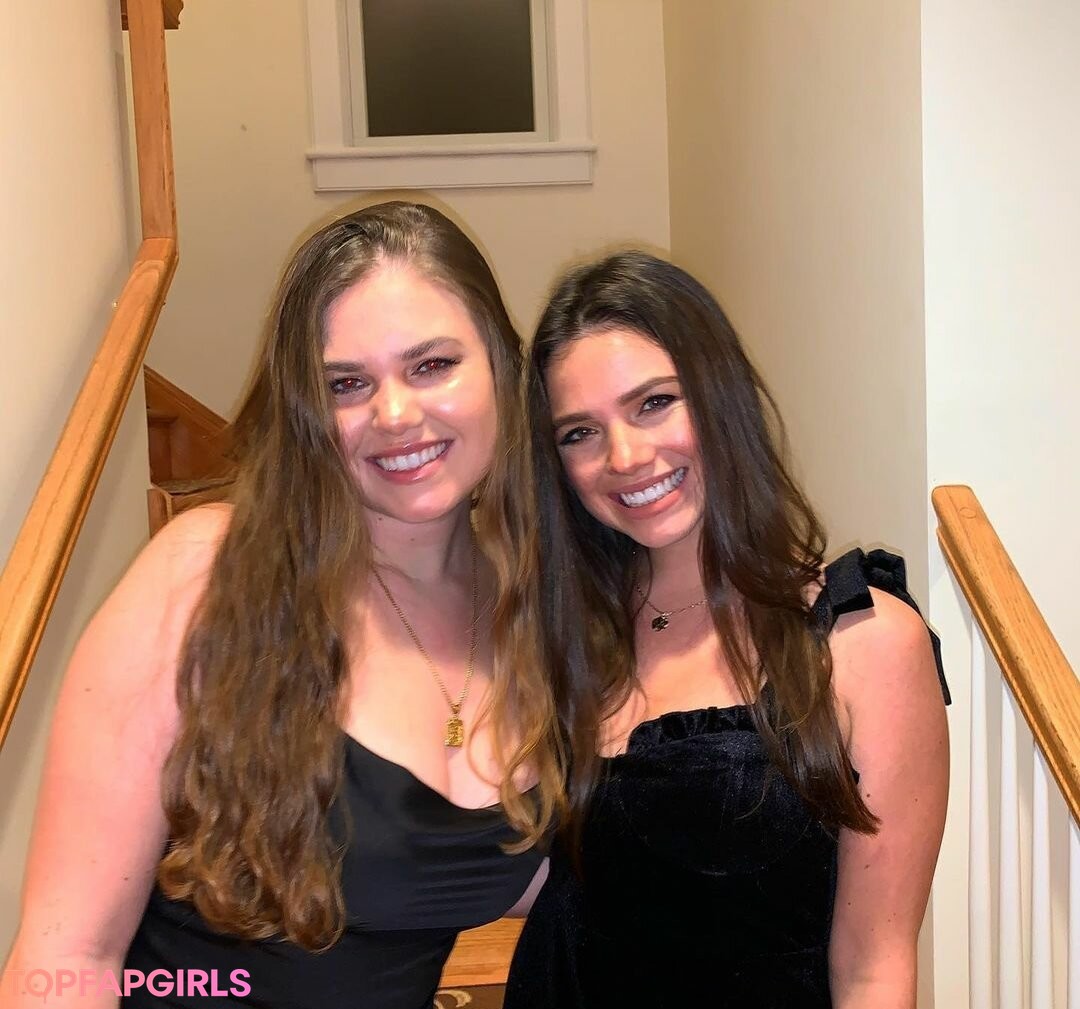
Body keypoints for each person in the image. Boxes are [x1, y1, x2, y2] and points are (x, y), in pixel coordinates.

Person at [1, 202, 559, 1009]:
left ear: (503, 367)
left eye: (433, 364)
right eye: (346, 383)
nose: (395, 413)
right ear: (306, 410)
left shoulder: (538, 612)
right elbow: (68, 959)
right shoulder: (204, 577)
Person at [504, 251, 950, 1008]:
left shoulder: (864, 641)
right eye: (579, 432)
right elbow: (541, 883)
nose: (623, 456)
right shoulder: (563, 636)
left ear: (721, 395)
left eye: (654, 403)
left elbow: (874, 969)